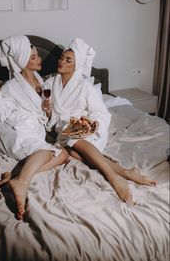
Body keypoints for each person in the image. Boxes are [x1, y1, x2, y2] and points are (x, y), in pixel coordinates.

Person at [43, 38, 157, 204]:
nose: (61, 62)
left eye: (68, 60)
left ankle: (114, 177)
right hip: (64, 130)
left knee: (74, 144)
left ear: (77, 65)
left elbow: (101, 113)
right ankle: (125, 172)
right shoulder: (49, 83)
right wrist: (47, 110)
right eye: (61, 58)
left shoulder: (84, 86)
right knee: (73, 154)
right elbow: (49, 116)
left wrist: (91, 124)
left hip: (86, 131)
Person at [0, 35, 68, 220]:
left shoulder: (40, 80)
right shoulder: (12, 86)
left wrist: (47, 111)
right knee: (48, 152)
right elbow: (1, 113)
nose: (39, 59)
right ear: (22, 61)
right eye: (33, 57)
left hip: (32, 129)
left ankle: (15, 175)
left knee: (63, 154)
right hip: (16, 130)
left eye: (37, 55)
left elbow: (46, 113)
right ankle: (22, 182)